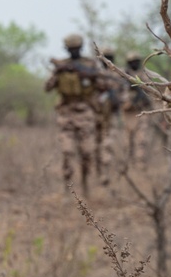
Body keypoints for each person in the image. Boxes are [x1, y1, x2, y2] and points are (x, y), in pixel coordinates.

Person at [44, 34, 105, 194]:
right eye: (71, 49)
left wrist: (88, 76)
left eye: (76, 49)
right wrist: (58, 72)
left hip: (86, 112)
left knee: (87, 152)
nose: (74, 52)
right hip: (66, 113)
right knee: (67, 151)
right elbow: (48, 87)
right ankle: (67, 188)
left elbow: (103, 85)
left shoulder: (90, 64)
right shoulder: (61, 65)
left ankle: (86, 185)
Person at [94, 47, 127, 185]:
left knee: (107, 144)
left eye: (109, 57)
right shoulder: (94, 73)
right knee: (96, 145)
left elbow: (124, 92)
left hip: (111, 115)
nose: (107, 60)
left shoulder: (118, 73)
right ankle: (98, 171)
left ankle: (105, 173)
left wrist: (119, 101)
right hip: (95, 114)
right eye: (105, 57)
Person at [121, 51, 155, 168]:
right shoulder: (123, 75)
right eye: (132, 62)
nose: (134, 64)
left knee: (141, 139)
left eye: (136, 62)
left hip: (142, 111)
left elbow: (150, 92)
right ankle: (127, 164)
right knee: (127, 141)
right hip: (129, 112)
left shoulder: (144, 75)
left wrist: (143, 96)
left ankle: (140, 164)